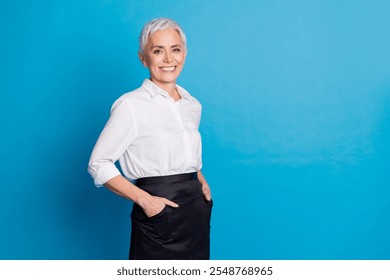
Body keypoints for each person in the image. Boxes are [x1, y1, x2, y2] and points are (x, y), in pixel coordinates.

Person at [88, 18, 212, 260]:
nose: (168, 59)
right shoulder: (130, 105)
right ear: (143, 58)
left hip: (195, 210)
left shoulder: (192, 105)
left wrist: (200, 179)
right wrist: (145, 201)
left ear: (184, 54)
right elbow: (98, 164)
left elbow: (183, 154)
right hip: (158, 211)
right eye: (158, 51)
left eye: (175, 49)